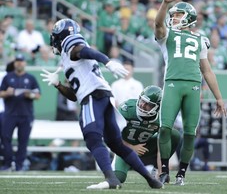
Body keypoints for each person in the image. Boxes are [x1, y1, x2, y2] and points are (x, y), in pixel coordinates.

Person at [40, 19, 162, 189]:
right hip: (102, 96)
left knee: (92, 137)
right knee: (116, 144)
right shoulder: (66, 60)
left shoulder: (71, 42)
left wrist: (108, 62)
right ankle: (151, 180)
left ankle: (111, 179)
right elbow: (73, 95)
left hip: (93, 96)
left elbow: (83, 50)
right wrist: (58, 85)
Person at [154, 0, 227, 185]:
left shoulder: (200, 40)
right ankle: (163, 171)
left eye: (177, 14)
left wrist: (219, 97)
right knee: (165, 128)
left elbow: (207, 71)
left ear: (188, 17)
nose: (173, 18)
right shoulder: (166, 35)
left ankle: (181, 174)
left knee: (189, 132)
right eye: (173, 15)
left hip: (193, 86)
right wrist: (165, 3)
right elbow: (158, 24)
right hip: (172, 83)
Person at [114, 85, 181, 183]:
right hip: (125, 149)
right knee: (118, 178)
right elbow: (112, 135)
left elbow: (162, 144)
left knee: (173, 135)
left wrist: (161, 171)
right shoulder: (127, 109)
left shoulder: (161, 118)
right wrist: (132, 147)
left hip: (145, 148)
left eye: (148, 104)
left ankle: (155, 170)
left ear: (156, 107)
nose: (142, 105)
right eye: (142, 100)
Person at [0, 54, 41, 171]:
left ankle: (19, 166)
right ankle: (8, 163)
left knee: (23, 141)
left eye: (21, 61)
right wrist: (7, 93)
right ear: (14, 63)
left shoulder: (31, 78)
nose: (19, 63)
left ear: (25, 63)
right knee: (5, 138)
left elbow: (38, 95)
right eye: (17, 61)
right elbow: (0, 93)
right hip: (10, 114)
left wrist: (30, 94)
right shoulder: (8, 77)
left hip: (26, 114)